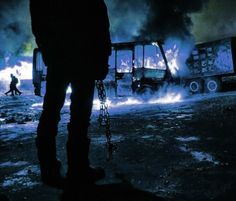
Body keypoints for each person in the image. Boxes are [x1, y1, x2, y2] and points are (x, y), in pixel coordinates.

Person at [29, 0, 112, 192]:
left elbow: (38, 21)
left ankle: (50, 169)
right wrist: (102, 57)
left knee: (51, 114)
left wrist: (49, 51)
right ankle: (78, 169)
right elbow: (99, 20)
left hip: (60, 58)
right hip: (84, 59)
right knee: (79, 118)